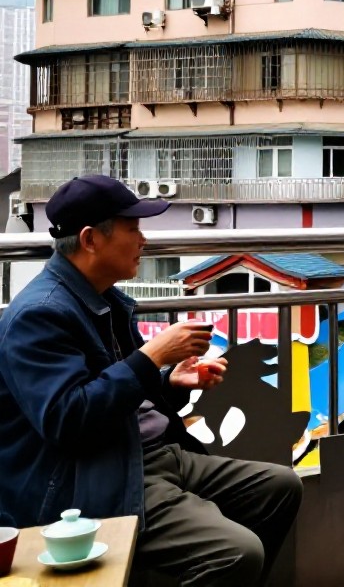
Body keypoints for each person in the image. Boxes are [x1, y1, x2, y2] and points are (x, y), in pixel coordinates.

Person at [0, 175, 302, 586]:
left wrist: (168, 384)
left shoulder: (105, 300)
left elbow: (120, 392)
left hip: (148, 453)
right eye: (133, 229)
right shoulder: (41, 315)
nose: (144, 240)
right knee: (237, 552)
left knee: (280, 486)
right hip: (95, 477)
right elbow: (67, 419)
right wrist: (151, 357)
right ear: (91, 240)